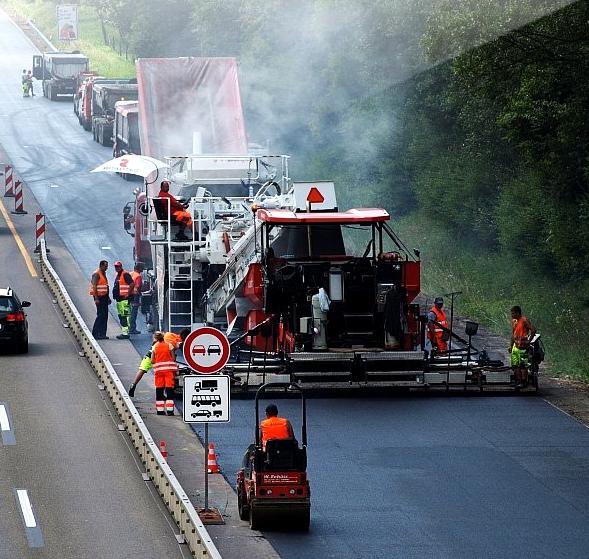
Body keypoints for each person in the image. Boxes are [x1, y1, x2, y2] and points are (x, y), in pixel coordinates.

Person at [128, 328, 190, 397]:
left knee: (142, 369)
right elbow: (172, 357)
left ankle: (133, 384)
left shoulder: (169, 334)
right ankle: (163, 393)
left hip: (150, 354)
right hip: (161, 359)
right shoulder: (177, 343)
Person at [151, 331, 177, 415]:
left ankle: (160, 410)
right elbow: (173, 358)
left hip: (158, 371)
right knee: (169, 390)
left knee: (159, 390)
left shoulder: (154, 346)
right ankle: (170, 410)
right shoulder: (169, 345)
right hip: (168, 371)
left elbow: (152, 360)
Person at [510, 305, 536, 388]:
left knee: (523, 365)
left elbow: (533, 330)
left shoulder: (524, 320)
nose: (512, 315)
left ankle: (524, 382)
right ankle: (518, 381)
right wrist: (511, 345)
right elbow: (513, 334)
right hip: (515, 346)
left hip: (523, 347)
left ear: (518, 313)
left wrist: (529, 341)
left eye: (513, 313)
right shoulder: (514, 321)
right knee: (515, 365)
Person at [112, 261, 135, 340]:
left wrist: (128, 294)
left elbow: (132, 284)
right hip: (119, 300)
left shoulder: (125, 274)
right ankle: (124, 332)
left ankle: (126, 333)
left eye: (118, 266)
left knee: (125, 316)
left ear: (121, 267)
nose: (116, 268)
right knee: (121, 316)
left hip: (124, 300)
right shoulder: (118, 275)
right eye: (115, 266)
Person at [89, 260, 110, 339]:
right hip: (99, 297)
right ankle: (95, 333)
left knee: (105, 315)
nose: (107, 268)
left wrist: (108, 297)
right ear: (101, 266)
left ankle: (102, 334)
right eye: (105, 266)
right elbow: (94, 286)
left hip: (104, 297)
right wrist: (96, 298)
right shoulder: (96, 274)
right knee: (100, 315)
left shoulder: (103, 273)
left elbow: (105, 286)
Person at [128, 262, 144, 335]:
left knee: (130, 312)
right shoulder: (138, 276)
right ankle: (132, 328)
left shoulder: (130, 274)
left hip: (129, 295)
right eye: (142, 267)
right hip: (135, 296)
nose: (143, 268)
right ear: (139, 268)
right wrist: (140, 294)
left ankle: (129, 327)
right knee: (134, 313)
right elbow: (138, 287)